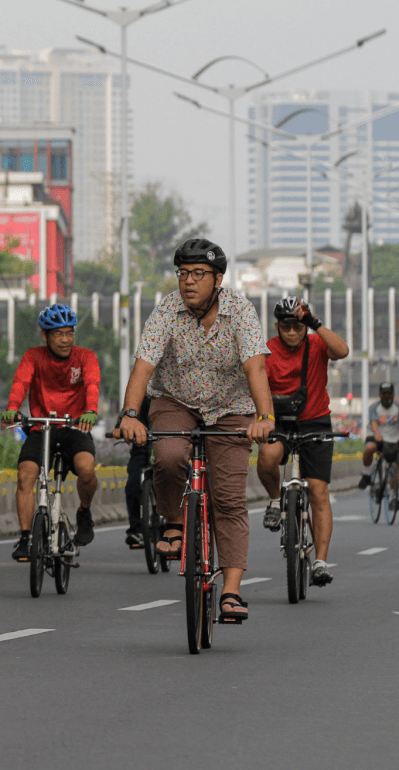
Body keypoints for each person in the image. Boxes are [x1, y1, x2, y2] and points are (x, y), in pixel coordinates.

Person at [113, 238, 273, 623]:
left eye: (198, 274)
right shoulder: (167, 310)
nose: (188, 282)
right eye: (183, 273)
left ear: (218, 279)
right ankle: (173, 521)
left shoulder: (240, 312)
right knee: (167, 455)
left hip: (231, 410)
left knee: (230, 499)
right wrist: (131, 414)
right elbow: (143, 367)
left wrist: (264, 419)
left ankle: (231, 591)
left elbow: (256, 369)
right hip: (175, 401)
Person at [256, 297, 348, 587]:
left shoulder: (316, 343)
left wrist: (314, 323)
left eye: (297, 327)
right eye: (286, 327)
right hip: (278, 419)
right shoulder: (268, 350)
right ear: (277, 327)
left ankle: (320, 561)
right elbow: (255, 382)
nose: (292, 333)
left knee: (319, 491)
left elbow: (342, 351)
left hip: (315, 419)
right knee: (267, 457)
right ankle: (274, 501)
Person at [1, 303, 101, 560]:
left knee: (87, 470)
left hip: (75, 427)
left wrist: (90, 410)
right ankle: (25, 538)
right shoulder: (33, 356)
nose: (65, 339)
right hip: (41, 427)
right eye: (58, 334)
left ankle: (84, 513)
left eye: (69, 333)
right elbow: (21, 382)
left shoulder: (86, 357)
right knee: (25, 477)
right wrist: (12, 408)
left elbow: (92, 383)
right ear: (45, 335)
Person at [123, 395, 152, 549]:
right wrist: (119, 428)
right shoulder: (140, 395)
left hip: (168, 446)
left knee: (183, 477)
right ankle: (136, 530)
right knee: (133, 484)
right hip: (141, 449)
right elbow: (128, 415)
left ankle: (185, 526)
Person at [360, 382, 399, 490]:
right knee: (370, 448)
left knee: (396, 468)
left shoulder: (397, 407)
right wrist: (377, 434)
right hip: (376, 436)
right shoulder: (374, 407)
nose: (386, 396)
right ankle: (366, 474)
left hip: (393, 439)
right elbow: (374, 423)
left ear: (393, 395)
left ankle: (393, 497)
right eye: (384, 394)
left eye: (389, 394)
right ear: (380, 395)